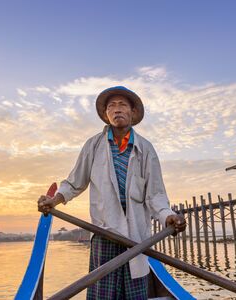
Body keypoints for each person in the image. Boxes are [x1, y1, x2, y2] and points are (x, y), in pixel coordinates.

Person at [38, 86, 186, 299]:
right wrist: (54, 200)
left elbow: (156, 195)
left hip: (136, 237)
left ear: (132, 113)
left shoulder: (146, 149)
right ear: (106, 115)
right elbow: (74, 182)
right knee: (103, 294)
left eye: (123, 105)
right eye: (112, 106)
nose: (117, 109)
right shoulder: (93, 145)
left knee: (134, 293)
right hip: (104, 232)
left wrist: (168, 216)